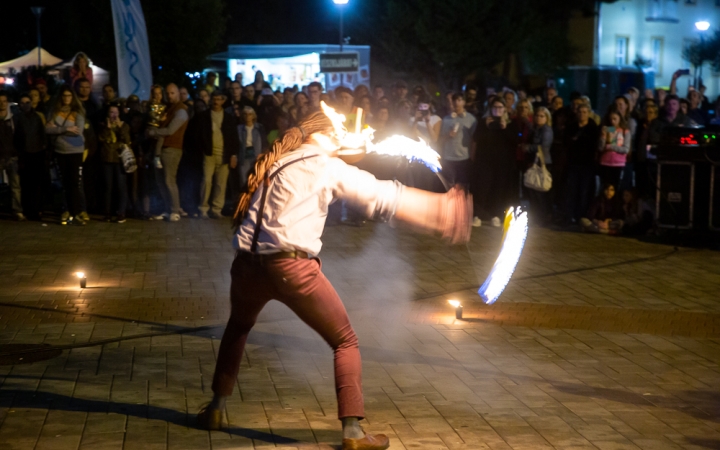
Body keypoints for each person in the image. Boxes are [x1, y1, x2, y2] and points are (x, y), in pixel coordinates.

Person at [196, 111, 472, 450]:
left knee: (238, 327)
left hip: (246, 268)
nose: (348, 137)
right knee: (345, 342)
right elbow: (383, 197)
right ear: (323, 136)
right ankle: (354, 434)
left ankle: (215, 409)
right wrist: (441, 210)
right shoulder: (324, 164)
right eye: (340, 132)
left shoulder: (274, 161)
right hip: (292, 268)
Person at [194, 91, 241, 219]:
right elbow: (198, 135)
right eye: (214, 99)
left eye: (218, 99)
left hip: (224, 154)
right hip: (209, 153)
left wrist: (233, 155)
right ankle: (203, 208)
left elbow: (233, 138)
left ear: (223, 100)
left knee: (221, 183)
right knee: (206, 181)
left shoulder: (228, 118)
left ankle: (216, 209)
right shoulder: (204, 116)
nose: (216, 102)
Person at [472, 97, 517, 227]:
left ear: (504, 109)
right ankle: (478, 215)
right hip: (485, 162)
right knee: (482, 188)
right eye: (495, 107)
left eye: (500, 108)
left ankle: (496, 215)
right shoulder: (483, 122)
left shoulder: (510, 123)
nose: (497, 110)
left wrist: (505, 128)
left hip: (502, 163)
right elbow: (476, 138)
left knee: (498, 189)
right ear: (490, 109)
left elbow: (515, 141)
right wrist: (486, 126)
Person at [147, 83, 189, 222]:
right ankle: (168, 208)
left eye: (172, 93)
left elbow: (171, 130)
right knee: (161, 181)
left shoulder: (181, 110)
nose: (170, 96)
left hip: (172, 149)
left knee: (169, 180)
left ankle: (175, 210)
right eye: (168, 93)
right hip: (162, 148)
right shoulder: (170, 109)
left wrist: (153, 132)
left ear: (177, 93)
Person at [46, 87, 88, 225]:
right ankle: (67, 211)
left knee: (74, 182)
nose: (66, 98)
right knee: (64, 182)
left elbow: (78, 131)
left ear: (72, 97)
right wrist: (66, 129)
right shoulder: (54, 112)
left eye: (69, 96)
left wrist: (57, 130)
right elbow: (47, 129)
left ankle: (76, 212)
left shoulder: (78, 112)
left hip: (75, 150)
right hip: (60, 151)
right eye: (64, 96)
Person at [564, 104, 599, 223]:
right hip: (574, 162)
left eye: (585, 112)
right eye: (580, 112)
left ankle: (582, 216)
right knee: (572, 191)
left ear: (589, 113)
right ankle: (570, 216)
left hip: (587, 164)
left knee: (584, 191)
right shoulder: (572, 127)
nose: (582, 114)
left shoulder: (593, 127)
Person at [15, 93, 48, 221]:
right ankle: (29, 209)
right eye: (23, 103)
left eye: (28, 102)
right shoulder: (17, 118)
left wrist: (45, 150)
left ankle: (38, 209)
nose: (26, 105)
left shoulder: (37, 117)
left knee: (37, 183)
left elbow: (42, 134)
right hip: (24, 154)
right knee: (26, 184)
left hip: (38, 153)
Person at [98, 102, 131, 223]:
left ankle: (121, 212)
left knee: (121, 186)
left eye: (116, 112)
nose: (114, 115)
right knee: (107, 187)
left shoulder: (124, 125)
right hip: (107, 159)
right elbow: (101, 139)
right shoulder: (103, 125)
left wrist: (119, 127)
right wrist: (107, 128)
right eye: (111, 112)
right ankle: (107, 213)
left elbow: (127, 140)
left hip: (119, 159)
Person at [440, 93, 477, 189]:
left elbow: (475, 139)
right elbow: (440, 139)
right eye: (454, 100)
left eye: (459, 100)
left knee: (463, 186)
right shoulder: (446, 119)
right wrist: (448, 134)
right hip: (448, 158)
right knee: (449, 186)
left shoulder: (471, 119)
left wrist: (472, 157)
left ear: (464, 102)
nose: (457, 103)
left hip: (464, 158)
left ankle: (463, 204)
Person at [526, 107, 554, 225]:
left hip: (543, 162)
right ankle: (536, 215)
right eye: (537, 115)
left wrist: (528, 147)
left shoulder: (546, 130)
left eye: (542, 116)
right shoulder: (535, 129)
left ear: (547, 118)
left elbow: (544, 146)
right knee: (533, 189)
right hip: (533, 161)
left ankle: (541, 216)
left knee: (540, 191)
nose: (539, 118)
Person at [0, 91, 24, 220]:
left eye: (4, 101)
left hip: (12, 156)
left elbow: (19, 137)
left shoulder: (14, 118)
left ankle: (17, 210)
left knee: (15, 186)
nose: (2, 104)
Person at [598, 109, 631, 190]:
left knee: (616, 187)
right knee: (605, 187)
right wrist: (603, 137)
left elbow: (626, 149)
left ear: (619, 118)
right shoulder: (609, 129)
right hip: (605, 162)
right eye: (611, 119)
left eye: (615, 119)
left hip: (618, 164)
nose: (612, 121)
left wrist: (610, 147)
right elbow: (601, 148)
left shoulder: (624, 131)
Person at [237, 106, 265, 183]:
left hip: (256, 155)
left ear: (253, 115)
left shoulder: (259, 127)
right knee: (244, 179)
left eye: (250, 114)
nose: (247, 116)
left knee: (256, 178)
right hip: (243, 155)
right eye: (245, 114)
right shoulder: (239, 128)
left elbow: (263, 141)